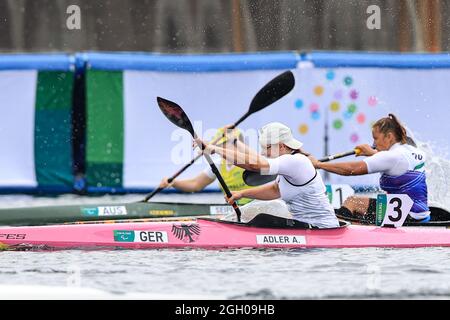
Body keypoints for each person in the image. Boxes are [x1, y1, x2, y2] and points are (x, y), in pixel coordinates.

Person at [198, 122, 340, 229]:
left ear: (282, 146)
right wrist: (241, 194)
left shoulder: (295, 161)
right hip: (306, 227)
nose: (264, 152)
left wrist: (215, 149)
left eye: (267, 148)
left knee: (262, 218)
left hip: (323, 229)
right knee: (260, 214)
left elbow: (256, 164)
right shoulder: (287, 166)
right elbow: (275, 190)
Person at [309, 113, 430, 223]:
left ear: (389, 136)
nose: (374, 143)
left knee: (352, 202)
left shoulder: (392, 157)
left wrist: (319, 165)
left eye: (376, 138)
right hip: (420, 214)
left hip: (407, 216)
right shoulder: (411, 150)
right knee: (360, 211)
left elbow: (351, 169)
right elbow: (398, 163)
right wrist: (373, 153)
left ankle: (335, 236)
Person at [159, 128, 254, 205]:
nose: (225, 147)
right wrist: (174, 183)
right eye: (223, 144)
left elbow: (253, 160)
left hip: (255, 207)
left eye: (232, 143)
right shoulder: (218, 165)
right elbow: (195, 184)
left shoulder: (251, 162)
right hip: (234, 209)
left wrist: (234, 140)